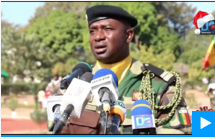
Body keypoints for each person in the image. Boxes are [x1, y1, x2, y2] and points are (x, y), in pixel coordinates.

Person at [61, 5, 192, 134]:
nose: (98, 37)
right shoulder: (75, 86)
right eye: (92, 31)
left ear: (128, 35)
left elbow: (179, 132)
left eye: (107, 29)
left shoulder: (159, 84)